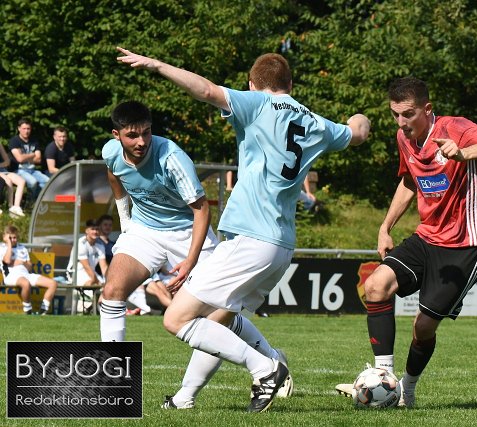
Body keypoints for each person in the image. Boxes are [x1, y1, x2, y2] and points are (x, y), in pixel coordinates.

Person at [116, 47, 370, 412]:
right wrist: (360, 118)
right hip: (281, 246)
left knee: (176, 318)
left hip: (251, 238)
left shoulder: (258, 104)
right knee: (218, 320)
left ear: (252, 84)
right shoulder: (317, 122)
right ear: (291, 84)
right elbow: (358, 132)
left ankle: (265, 368)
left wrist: (157, 65)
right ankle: (185, 398)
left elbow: (206, 90)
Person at [334, 77, 477, 408]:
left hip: (468, 243)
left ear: (427, 109)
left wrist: (463, 153)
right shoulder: (404, 138)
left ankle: (407, 388)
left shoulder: (454, 128)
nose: (401, 122)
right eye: (395, 115)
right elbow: (409, 181)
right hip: (427, 235)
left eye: (408, 114)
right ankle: (384, 378)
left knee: (423, 326)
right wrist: (385, 226)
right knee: (375, 286)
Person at [99, 100, 219, 343]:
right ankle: (113, 365)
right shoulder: (111, 152)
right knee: (112, 291)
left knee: (217, 311)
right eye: (132, 135)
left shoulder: (172, 158)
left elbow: (202, 209)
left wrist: (190, 261)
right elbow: (113, 175)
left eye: (146, 132)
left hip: (187, 231)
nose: (141, 142)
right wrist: (125, 221)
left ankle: (267, 357)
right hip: (144, 230)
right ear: (116, 135)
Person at [0, 225, 58, 314]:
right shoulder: (2, 247)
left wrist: (22, 262)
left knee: (53, 283)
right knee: (25, 283)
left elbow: (30, 267)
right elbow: (7, 261)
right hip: (11, 276)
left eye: (15, 237)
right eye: (10, 238)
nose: (13, 240)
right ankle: (28, 309)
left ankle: (43, 310)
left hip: (26, 275)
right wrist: (9, 244)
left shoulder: (22, 248)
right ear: (5, 237)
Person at [8, 118, 49, 199]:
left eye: (28, 128)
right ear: (19, 128)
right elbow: (19, 159)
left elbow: (38, 159)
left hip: (32, 170)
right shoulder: (14, 141)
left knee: (47, 181)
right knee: (33, 182)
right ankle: (30, 202)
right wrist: (33, 154)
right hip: (19, 170)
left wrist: (24, 156)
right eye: (24, 128)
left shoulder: (34, 141)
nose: (26, 131)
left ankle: (37, 201)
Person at [66, 219, 109, 287]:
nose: (95, 232)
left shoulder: (100, 245)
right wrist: (97, 282)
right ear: (87, 230)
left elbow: (103, 266)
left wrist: (108, 280)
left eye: (97, 229)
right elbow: (86, 266)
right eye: (92, 229)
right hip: (75, 272)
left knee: (107, 286)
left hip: (92, 272)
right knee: (91, 285)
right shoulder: (81, 243)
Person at [0, 143, 26, 217]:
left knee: (21, 181)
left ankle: (16, 207)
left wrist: (1, 165)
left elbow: (7, 161)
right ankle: (11, 207)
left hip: (3, 170)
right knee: (8, 181)